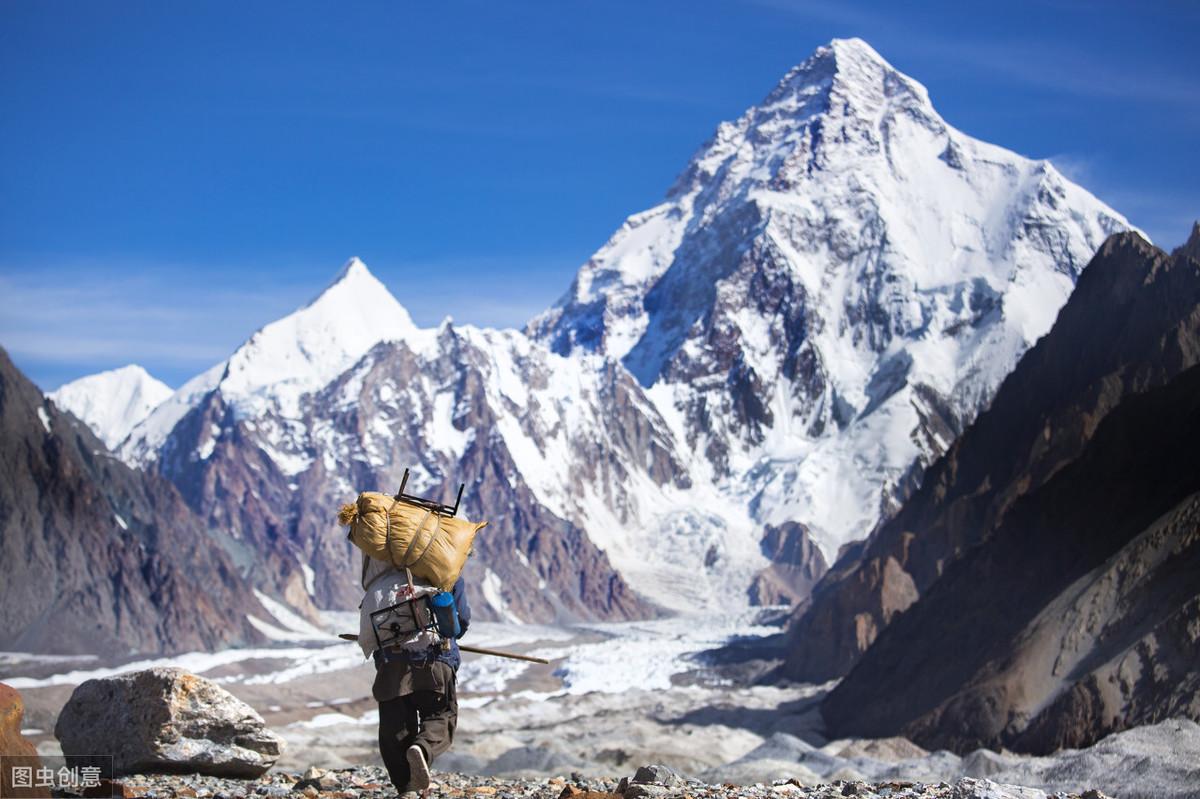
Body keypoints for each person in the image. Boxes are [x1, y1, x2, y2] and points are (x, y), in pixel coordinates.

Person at [369, 573, 471, 794]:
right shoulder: (447, 569)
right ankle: (422, 749)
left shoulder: (380, 574)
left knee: (394, 726)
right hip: (435, 658)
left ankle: (406, 789)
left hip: (391, 661)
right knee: (441, 715)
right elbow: (461, 622)